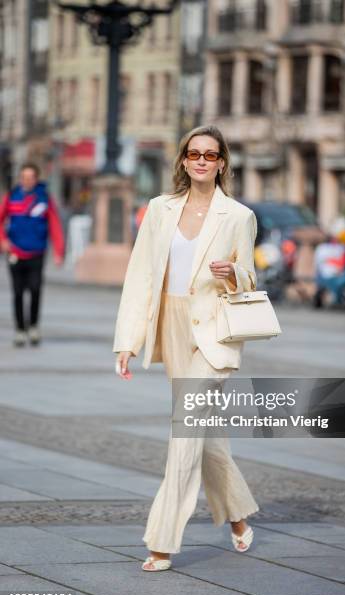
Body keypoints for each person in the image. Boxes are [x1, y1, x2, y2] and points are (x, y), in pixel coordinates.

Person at [113, 125, 260, 572]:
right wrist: (128, 341)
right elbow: (140, 276)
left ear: (221, 163)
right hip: (171, 326)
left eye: (210, 155)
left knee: (184, 430)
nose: (201, 160)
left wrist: (232, 272)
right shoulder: (159, 209)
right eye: (193, 153)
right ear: (182, 160)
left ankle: (161, 540)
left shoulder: (238, 216)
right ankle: (237, 513)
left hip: (213, 332)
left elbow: (250, 279)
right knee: (204, 433)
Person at [0, 163, 65, 346]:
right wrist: (3, 240)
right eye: (24, 177)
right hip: (15, 252)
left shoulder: (43, 198)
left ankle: (34, 326)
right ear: (20, 179)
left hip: (37, 252)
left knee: (35, 290)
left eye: (31, 177)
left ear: (36, 179)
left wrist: (58, 252)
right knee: (18, 292)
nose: (27, 181)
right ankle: (20, 330)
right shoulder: (12, 196)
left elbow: (55, 225)